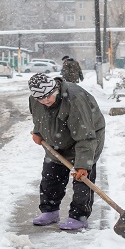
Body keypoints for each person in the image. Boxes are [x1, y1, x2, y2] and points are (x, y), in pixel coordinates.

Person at [27, 73, 105, 231]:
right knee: (50, 177)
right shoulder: (35, 100)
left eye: (48, 96)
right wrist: (38, 132)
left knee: (82, 180)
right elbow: (40, 118)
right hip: (55, 142)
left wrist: (83, 165)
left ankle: (79, 216)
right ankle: (50, 211)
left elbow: (85, 136)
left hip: (86, 139)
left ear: (55, 89)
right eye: (40, 98)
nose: (45, 100)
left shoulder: (74, 100)